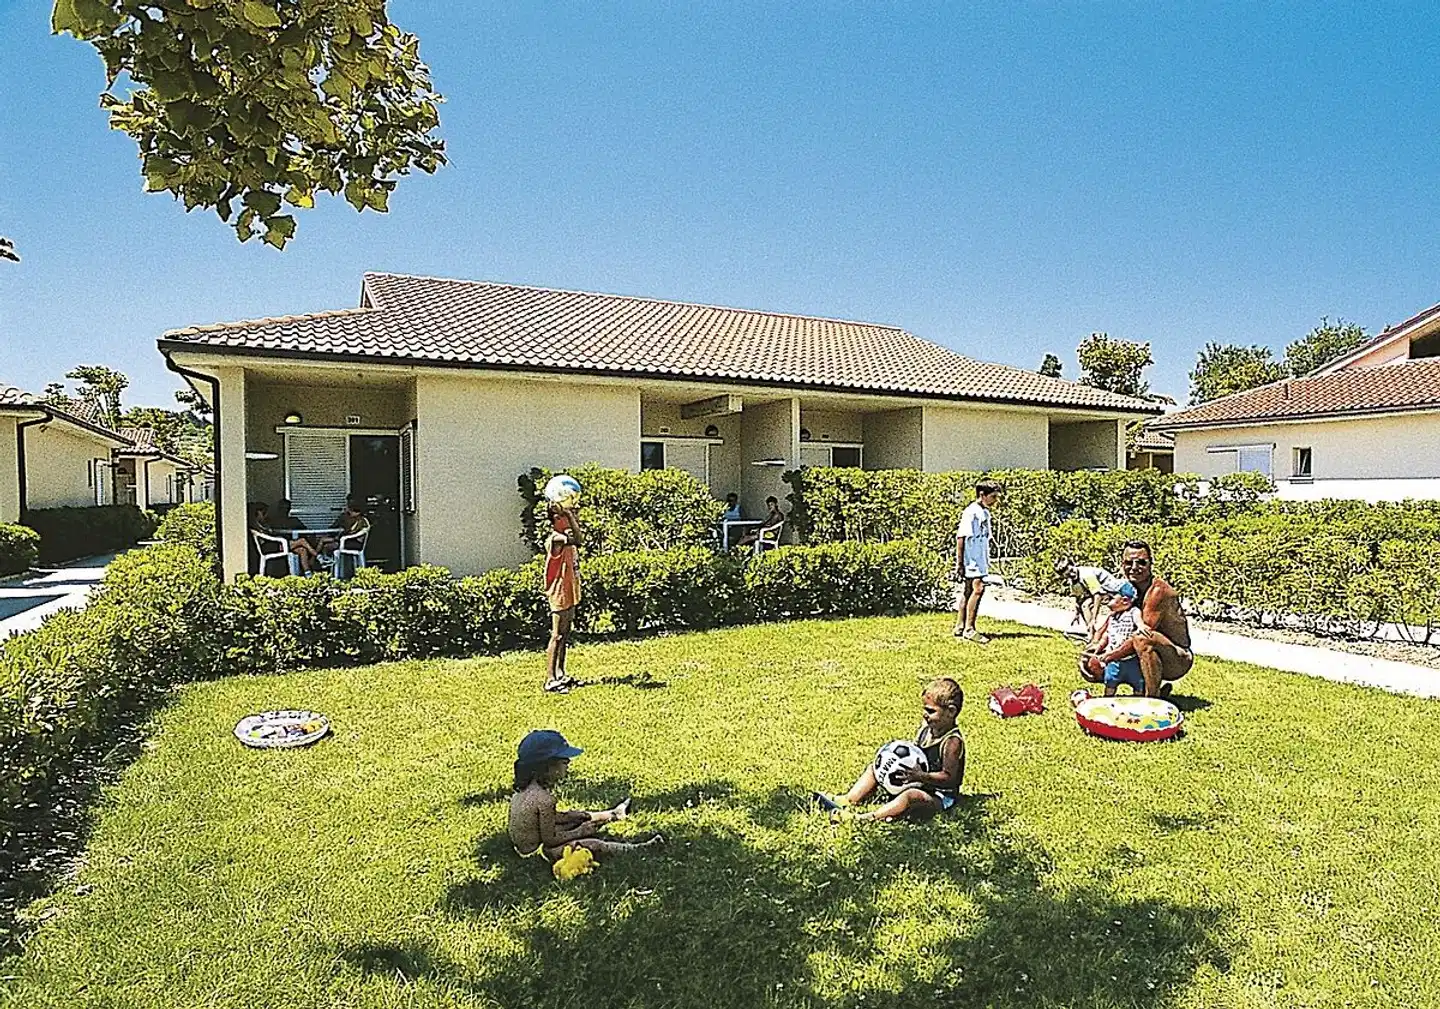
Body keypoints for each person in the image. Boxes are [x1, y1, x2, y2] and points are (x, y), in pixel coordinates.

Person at [812, 678, 966, 822]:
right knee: (876, 766)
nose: (925, 715)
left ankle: (864, 818)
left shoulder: (952, 742)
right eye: (924, 709)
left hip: (940, 797)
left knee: (910, 796)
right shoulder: (927, 728)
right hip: (919, 780)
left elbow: (949, 778)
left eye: (931, 711)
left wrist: (921, 776)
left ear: (951, 712)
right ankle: (848, 799)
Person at [508, 730, 663, 862]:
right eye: (564, 761)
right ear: (547, 767)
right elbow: (551, 840)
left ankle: (613, 814)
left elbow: (543, 821)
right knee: (594, 844)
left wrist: (574, 816)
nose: (568, 763)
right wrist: (580, 832)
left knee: (573, 818)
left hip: (528, 846)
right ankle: (639, 848)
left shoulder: (523, 792)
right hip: (538, 852)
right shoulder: (545, 800)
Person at [1121, 540, 1194, 697]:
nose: (1134, 567)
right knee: (1093, 663)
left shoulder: (1158, 591)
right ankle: (1152, 691)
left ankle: (1152, 699)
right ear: (1122, 564)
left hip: (1177, 658)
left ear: (1150, 564)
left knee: (1142, 638)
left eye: (1141, 562)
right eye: (1128, 563)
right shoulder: (1127, 589)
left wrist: (1107, 656)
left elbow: (1144, 633)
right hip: (1150, 647)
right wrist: (1093, 648)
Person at [953, 481, 1003, 644]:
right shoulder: (971, 512)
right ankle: (970, 629)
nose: (995, 500)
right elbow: (961, 537)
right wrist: (960, 563)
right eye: (993, 497)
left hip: (980, 558)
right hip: (971, 558)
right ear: (982, 495)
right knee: (978, 589)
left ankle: (960, 626)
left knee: (968, 591)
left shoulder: (985, 512)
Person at [543, 502, 582, 693]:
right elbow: (579, 539)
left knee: (565, 634)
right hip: (559, 591)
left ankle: (561, 673)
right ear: (557, 519)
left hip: (569, 589)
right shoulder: (557, 539)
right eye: (566, 515)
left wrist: (570, 513)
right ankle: (550, 679)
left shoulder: (565, 537)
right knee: (557, 635)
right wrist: (568, 514)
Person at [1081, 583, 1145, 695]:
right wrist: (1099, 646)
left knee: (1137, 681)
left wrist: (1140, 626)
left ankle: (1138, 697)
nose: (1106, 600)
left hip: (1131, 659)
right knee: (1110, 680)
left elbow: (1138, 620)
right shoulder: (1112, 617)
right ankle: (1108, 698)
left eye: (1111, 597)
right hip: (1113, 661)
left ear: (1125, 601)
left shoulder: (1133, 612)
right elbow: (1107, 634)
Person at [1054, 558, 1130, 637]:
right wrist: (1077, 614)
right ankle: (1091, 633)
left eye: (1071, 570)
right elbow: (1079, 598)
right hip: (1102, 591)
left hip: (1114, 590)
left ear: (1073, 565)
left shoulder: (1087, 575)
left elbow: (1097, 596)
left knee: (1087, 605)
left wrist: (1093, 619)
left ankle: (1092, 632)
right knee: (1084, 605)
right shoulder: (1072, 581)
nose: (1072, 574)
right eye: (1068, 575)